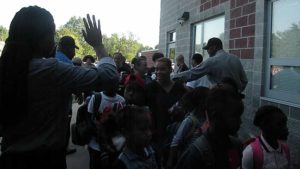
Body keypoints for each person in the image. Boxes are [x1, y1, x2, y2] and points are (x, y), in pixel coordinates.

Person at [0, 6, 118, 169]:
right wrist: (98, 44)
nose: (54, 41)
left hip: (9, 159)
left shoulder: (6, 69)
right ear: (41, 38)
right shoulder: (49, 70)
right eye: (52, 34)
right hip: (44, 160)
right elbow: (109, 77)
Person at [176, 86, 244, 169]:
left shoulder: (236, 146)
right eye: (234, 116)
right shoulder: (196, 154)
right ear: (215, 115)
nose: (240, 122)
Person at [146, 57, 186, 168]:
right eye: (156, 69)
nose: (158, 72)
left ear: (170, 70)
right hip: (157, 135)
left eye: (162, 69)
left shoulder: (179, 87)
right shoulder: (151, 88)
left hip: (176, 134)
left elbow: (186, 106)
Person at [172, 37, 248, 92]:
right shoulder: (235, 58)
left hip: (220, 100)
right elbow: (244, 80)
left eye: (208, 49)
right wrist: (238, 91)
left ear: (214, 47)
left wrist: (172, 77)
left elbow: (192, 74)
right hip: (235, 101)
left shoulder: (212, 61)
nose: (207, 51)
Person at [167, 87, 209, 169]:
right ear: (201, 102)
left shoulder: (207, 119)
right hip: (188, 160)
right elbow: (175, 142)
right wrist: (170, 163)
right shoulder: (189, 120)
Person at [87, 82, 125, 169]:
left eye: (114, 81)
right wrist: (98, 132)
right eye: (108, 81)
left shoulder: (122, 100)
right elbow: (88, 119)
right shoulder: (96, 97)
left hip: (114, 146)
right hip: (95, 146)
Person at [56, 35, 79, 155]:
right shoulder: (66, 63)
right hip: (62, 106)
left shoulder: (51, 57)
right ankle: (64, 148)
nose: (74, 53)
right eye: (73, 49)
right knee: (64, 127)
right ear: (67, 48)